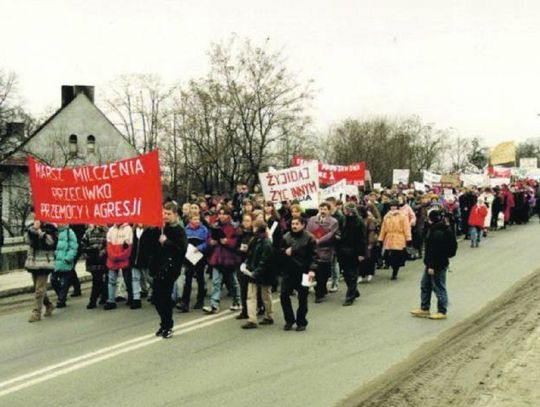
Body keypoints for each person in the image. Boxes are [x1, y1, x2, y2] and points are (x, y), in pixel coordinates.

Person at [411, 208, 457, 320]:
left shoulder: (437, 232)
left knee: (439, 287)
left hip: (437, 264)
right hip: (434, 263)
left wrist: (431, 266)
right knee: (425, 285)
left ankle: (442, 310)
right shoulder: (443, 229)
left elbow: (434, 251)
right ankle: (424, 308)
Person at [151, 202, 188, 338]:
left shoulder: (179, 230)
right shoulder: (160, 228)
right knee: (156, 298)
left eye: (168, 214)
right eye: (164, 213)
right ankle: (164, 323)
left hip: (170, 268)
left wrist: (167, 242)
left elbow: (182, 249)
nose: (165, 216)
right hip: (158, 267)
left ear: (175, 215)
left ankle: (167, 325)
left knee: (164, 298)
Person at [279, 216, 317, 331]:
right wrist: (284, 251)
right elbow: (279, 251)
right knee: (284, 295)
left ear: (303, 225)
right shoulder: (286, 237)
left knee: (303, 297)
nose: (294, 226)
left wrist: (312, 270)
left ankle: (301, 321)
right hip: (289, 272)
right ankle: (289, 320)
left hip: (304, 272)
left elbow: (314, 256)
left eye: (297, 224)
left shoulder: (309, 238)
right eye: (292, 224)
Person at [203, 208, 241, 314]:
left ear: (228, 215)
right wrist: (211, 241)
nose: (222, 216)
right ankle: (214, 304)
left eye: (224, 214)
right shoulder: (214, 226)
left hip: (229, 257)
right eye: (220, 214)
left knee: (233, 281)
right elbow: (209, 238)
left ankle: (237, 301)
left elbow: (237, 241)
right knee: (216, 281)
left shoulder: (234, 226)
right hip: (218, 256)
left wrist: (227, 241)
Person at [239, 219, 275, 329]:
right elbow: (250, 255)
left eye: (255, 227)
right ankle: (252, 319)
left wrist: (255, 272)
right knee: (252, 295)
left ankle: (269, 316)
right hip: (254, 271)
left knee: (265, 295)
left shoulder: (266, 242)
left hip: (262, 272)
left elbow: (265, 260)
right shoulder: (255, 240)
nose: (253, 228)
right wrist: (246, 264)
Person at [24, 220, 58, 322]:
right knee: (38, 288)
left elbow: (51, 242)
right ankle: (49, 304)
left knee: (39, 289)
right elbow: (26, 240)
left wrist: (40, 232)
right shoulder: (30, 225)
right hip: (33, 261)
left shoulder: (51, 227)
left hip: (44, 262)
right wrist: (33, 229)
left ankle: (36, 312)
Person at [306, 202, 339, 303]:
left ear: (329, 211)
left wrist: (319, 240)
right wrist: (311, 239)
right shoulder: (312, 220)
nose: (322, 211)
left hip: (325, 250)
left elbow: (331, 234)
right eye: (321, 209)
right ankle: (306, 289)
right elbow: (307, 231)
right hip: (312, 249)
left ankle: (321, 290)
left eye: (325, 209)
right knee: (308, 270)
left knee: (322, 273)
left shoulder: (333, 221)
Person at [336, 204, 366, 305]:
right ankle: (354, 291)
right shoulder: (343, 220)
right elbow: (341, 232)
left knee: (353, 274)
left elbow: (362, 239)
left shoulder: (359, 222)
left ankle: (350, 297)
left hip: (354, 251)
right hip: (343, 251)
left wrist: (361, 253)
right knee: (346, 274)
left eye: (347, 210)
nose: (345, 211)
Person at [181, 213, 209, 311]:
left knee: (200, 278)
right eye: (194, 219)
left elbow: (207, 242)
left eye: (198, 219)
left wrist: (200, 248)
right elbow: (183, 241)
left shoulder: (203, 229)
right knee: (188, 278)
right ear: (190, 220)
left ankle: (200, 301)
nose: (197, 221)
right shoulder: (186, 229)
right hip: (189, 256)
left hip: (200, 256)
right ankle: (185, 302)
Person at [378, 200, 411, 280]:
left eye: (395, 206)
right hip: (389, 237)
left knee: (396, 257)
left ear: (397, 207)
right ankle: (392, 267)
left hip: (399, 238)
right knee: (388, 256)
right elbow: (383, 228)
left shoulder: (402, 216)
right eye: (392, 206)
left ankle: (395, 272)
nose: (393, 207)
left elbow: (406, 228)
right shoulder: (387, 216)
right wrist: (381, 238)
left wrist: (408, 238)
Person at [104, 223, 133, 310]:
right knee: (111, 280)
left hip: (123, 259)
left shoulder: (128, 229)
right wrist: (113, 256)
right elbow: (108, 246)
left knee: (128, 279)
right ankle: (111, 300)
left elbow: (128, 248)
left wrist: (119, 256)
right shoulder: (111, 230)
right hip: (113, 259)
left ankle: (131, 297)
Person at [81, 224, 108, 309]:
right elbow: (82, 244)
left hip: (102, 260)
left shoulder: (107, 232)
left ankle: (93, 300)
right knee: (97, 280)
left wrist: (103, 252)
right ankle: (104, 296)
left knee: (97, 280)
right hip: (92, 259)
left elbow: (109, 245)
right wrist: (86, 253)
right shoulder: (89, 232)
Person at [51, 224, 79, 308]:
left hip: (65, 261)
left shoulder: (69, 232)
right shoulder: (54, 232)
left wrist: (68, 258)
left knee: (64, 283)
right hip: (56, 262)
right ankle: (61, 295)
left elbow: (73, 246)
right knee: (53, 280)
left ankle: (61, 300)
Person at [236, 213, 255, 320]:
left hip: (252, 264)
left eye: (248, 221)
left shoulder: (254, 235)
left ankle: (256, 308)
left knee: (252, 289)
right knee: (243, 288)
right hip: (242, 263)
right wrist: (240, 249)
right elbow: (235, 248)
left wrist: (249, 250)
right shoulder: (240, 234)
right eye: (244, 221)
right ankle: (244, 310)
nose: (246, 223)